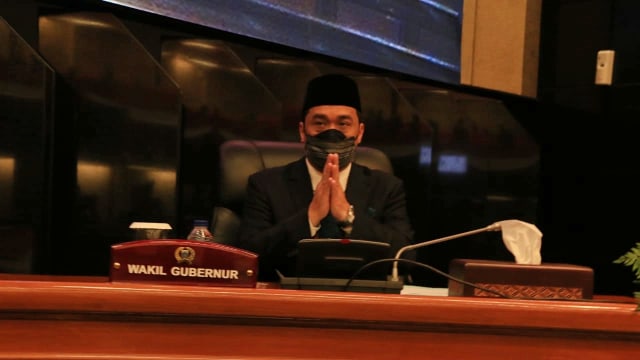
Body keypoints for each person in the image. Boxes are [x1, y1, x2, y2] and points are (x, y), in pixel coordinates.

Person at [237, 74, 414, 281]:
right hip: (288, 301)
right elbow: (246, 258)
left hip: (362, 302)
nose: (331, 133)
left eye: (343, 124)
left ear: (359, 133)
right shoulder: (266, 184)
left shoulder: (386, 187)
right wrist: (310, 218)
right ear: (303, 131)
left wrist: (348, 218)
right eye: (320, 123)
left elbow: (406, 257)